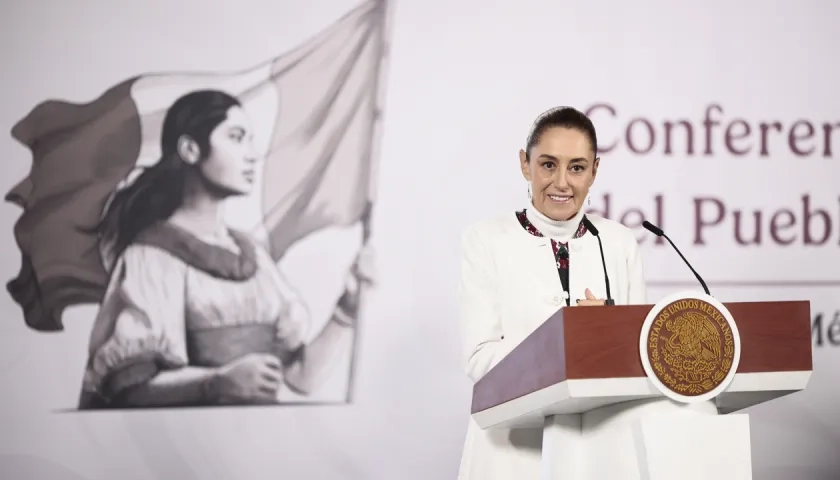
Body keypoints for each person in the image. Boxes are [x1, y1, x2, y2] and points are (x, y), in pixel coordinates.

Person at [77, 89, 372, 409]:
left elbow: (301, 377)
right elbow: (130, 390)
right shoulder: (151, 256)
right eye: (236, 137)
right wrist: (216, 383)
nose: (251, 154)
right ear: (190, 149)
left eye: (249, 139)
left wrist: (347, 308)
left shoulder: (253, 255)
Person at [456, 106, 647, 478]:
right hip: (511, 453)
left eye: (576, 167)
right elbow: (480, 360)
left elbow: (638, 363)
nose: (561, 182)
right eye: (548, 165)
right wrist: (573, 339)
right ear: (525, 165)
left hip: (599, 453)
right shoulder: (485, 240)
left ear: (594, 171)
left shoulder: (620, 244)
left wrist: (612, 335)